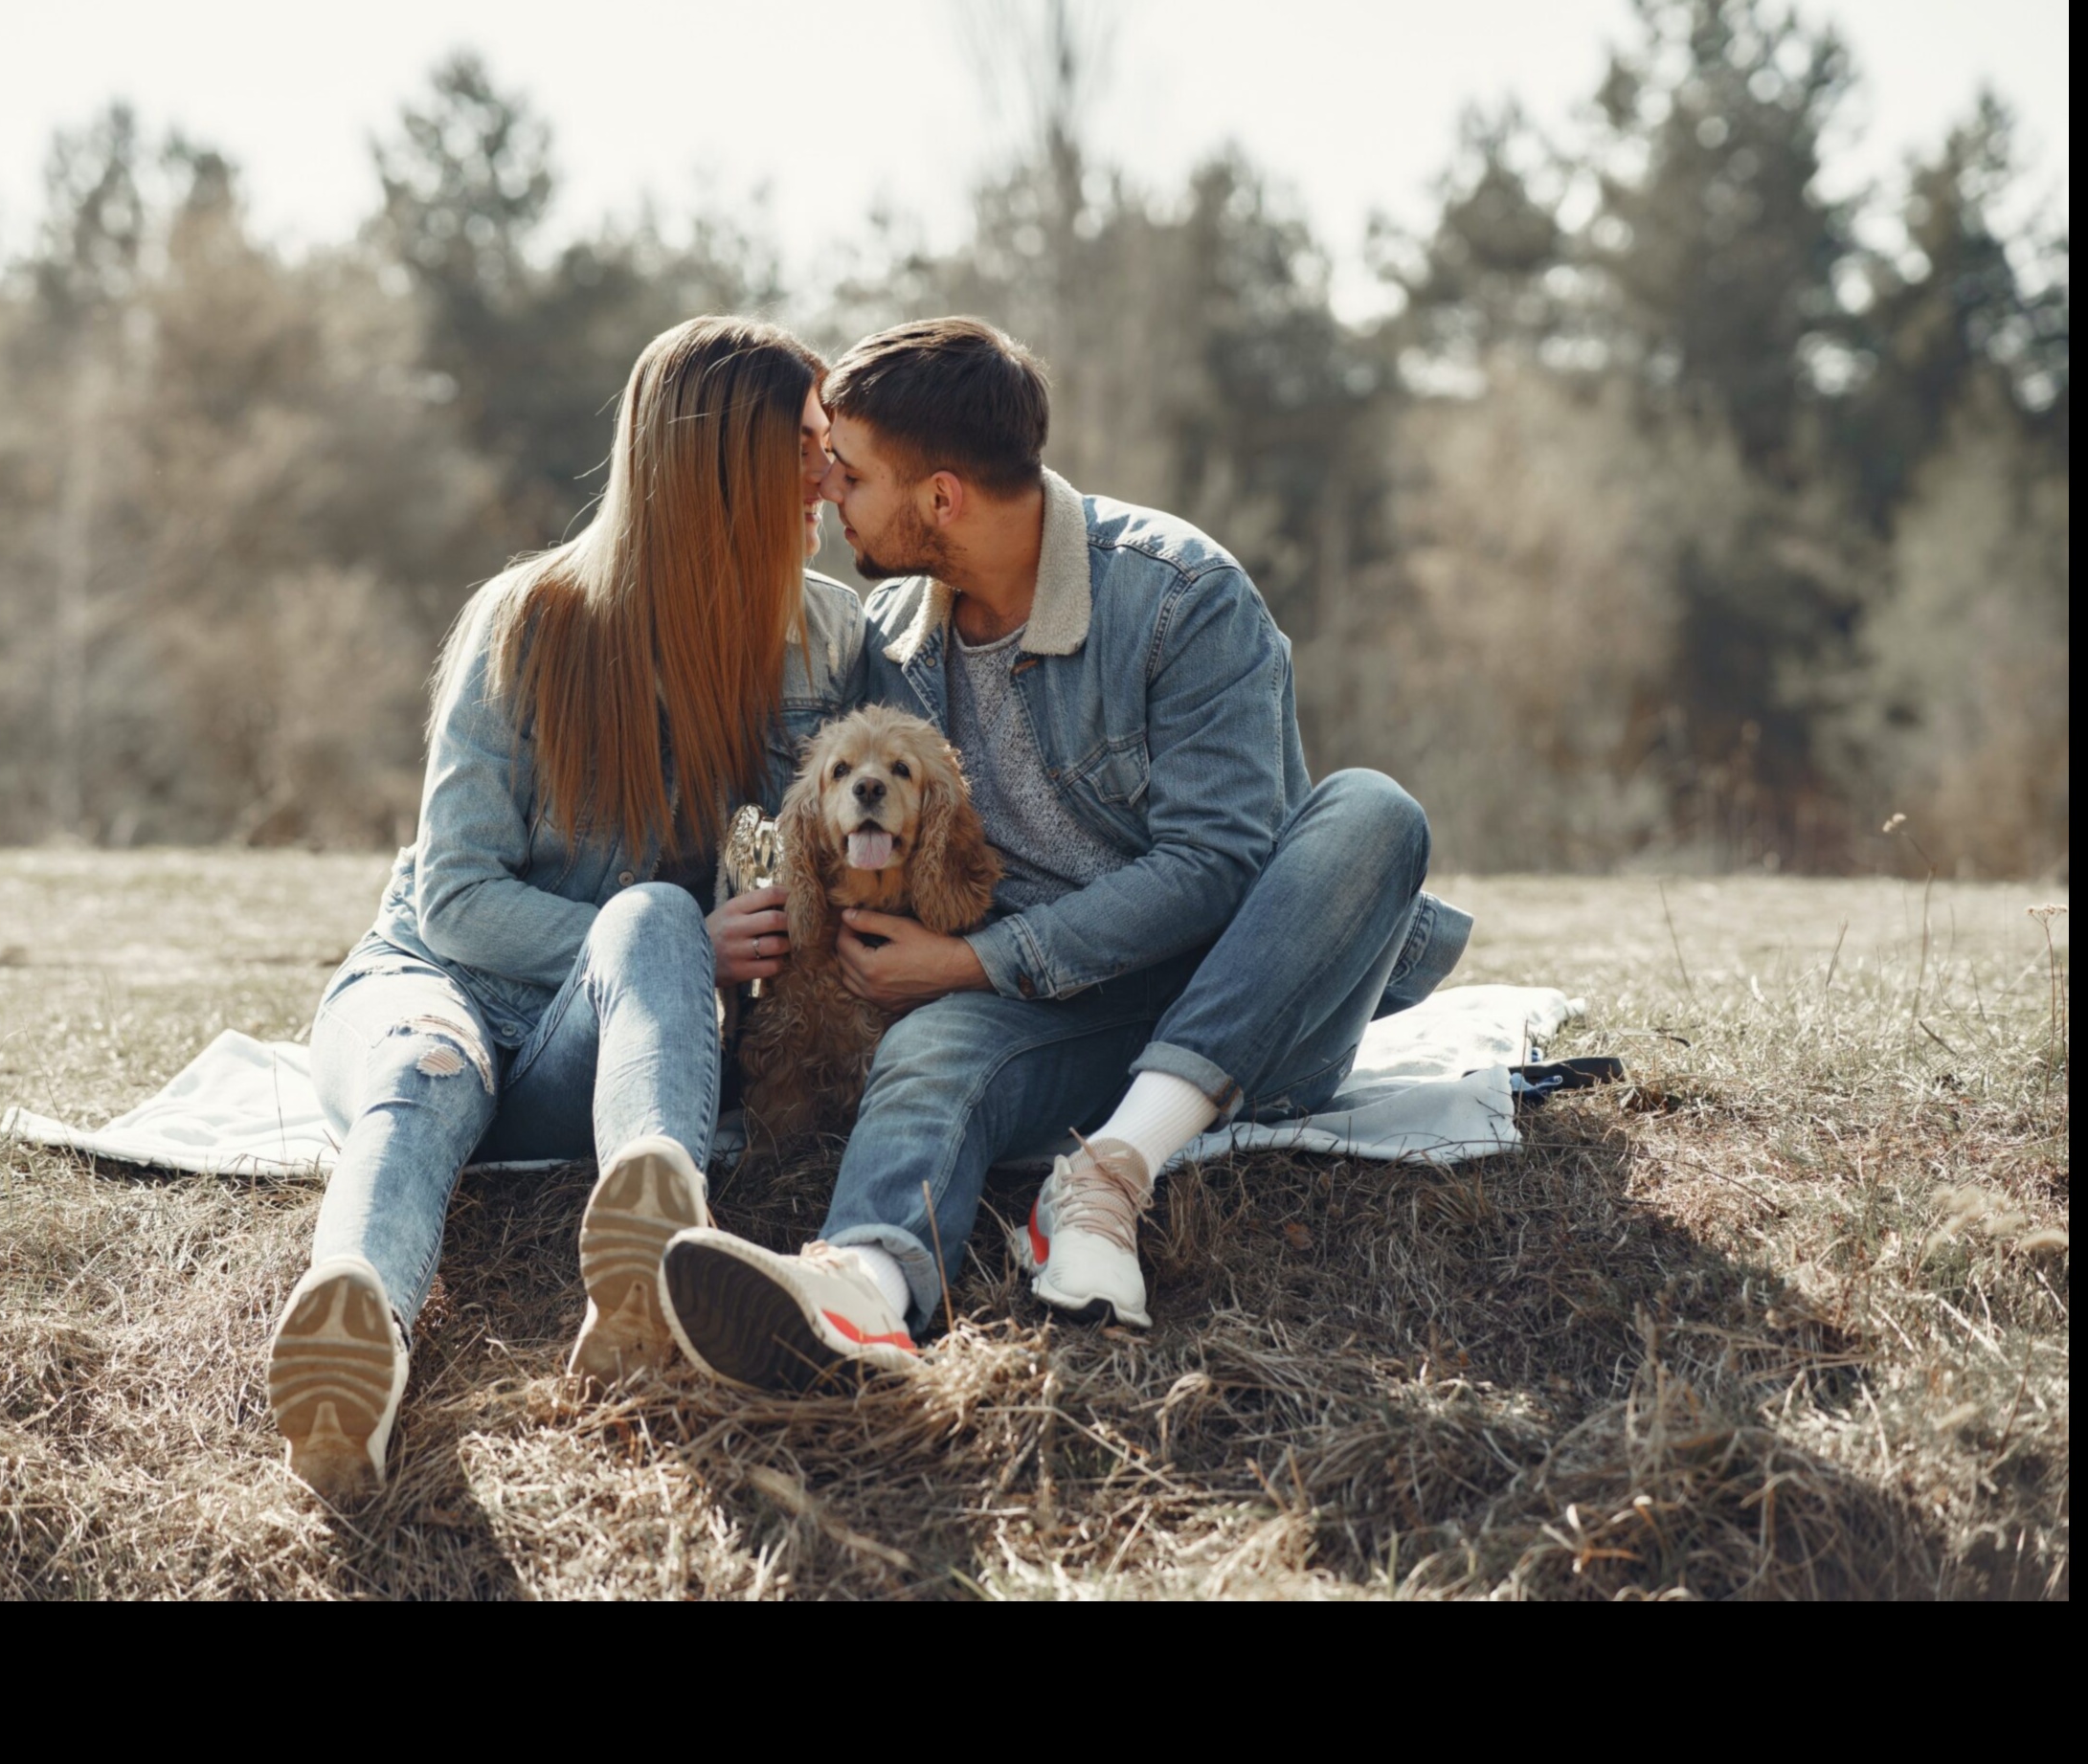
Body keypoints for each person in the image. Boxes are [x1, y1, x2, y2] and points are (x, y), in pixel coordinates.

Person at [658, 318, 1471, 1388]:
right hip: (1051, 1015)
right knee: (931, 1050)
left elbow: (1217, 865)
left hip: (1243, 999)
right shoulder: (892, 638)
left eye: (845, 474)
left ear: (940, 497)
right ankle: (860, 1281)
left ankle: (1108, 1176)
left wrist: (974, 962)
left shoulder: (1181, 597)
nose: (822, 491)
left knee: (1374, 813)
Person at [266, 316, 863, 1495]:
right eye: (801, 443)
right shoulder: (529, 622)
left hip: (590, 1045)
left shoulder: (820, 633)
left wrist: (715, 942)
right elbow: (454, 898)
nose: (828, 474)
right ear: (721, 462)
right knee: (420, 1075)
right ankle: (355, 1343)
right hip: (436, 984)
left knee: (643, 915)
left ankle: (646, 1254)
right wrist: (693, 947)